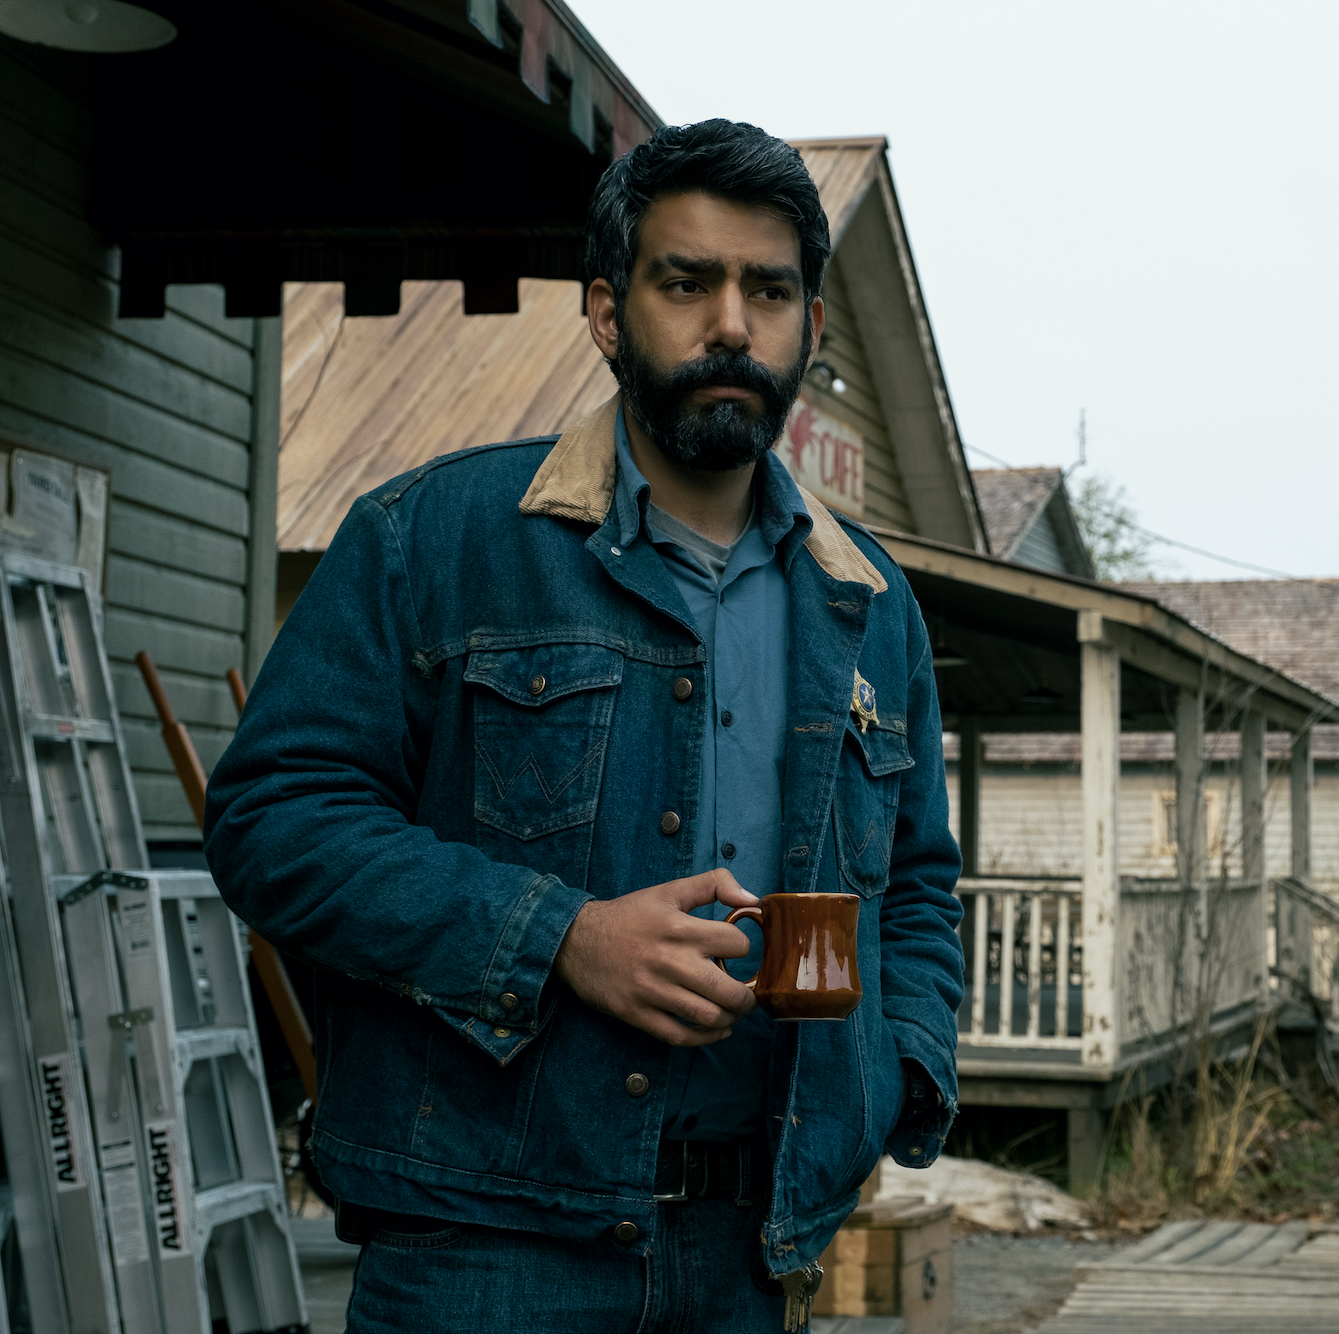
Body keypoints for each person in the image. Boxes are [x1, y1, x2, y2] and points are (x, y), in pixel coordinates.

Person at [202, 120, 965, 1333]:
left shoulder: (869, 604)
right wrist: (558, 935)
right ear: (608, 314)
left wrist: (896, 1069)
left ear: (811, 329)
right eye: (686, 281)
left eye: (769, 290)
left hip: (756, 1251)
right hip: (486, 1246)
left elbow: (918, 884)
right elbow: (269, 820)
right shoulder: (433, 541)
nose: (731, 323)